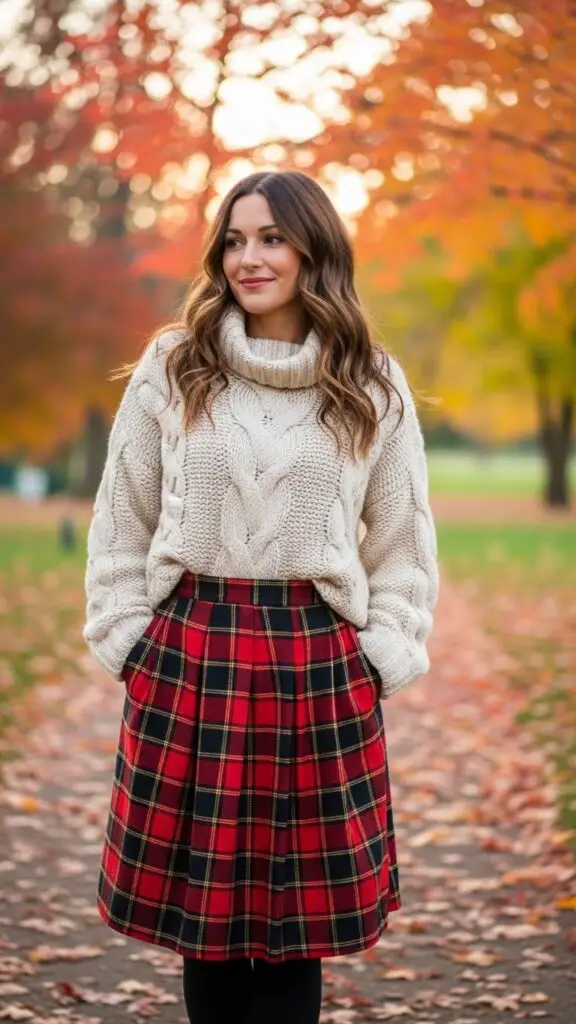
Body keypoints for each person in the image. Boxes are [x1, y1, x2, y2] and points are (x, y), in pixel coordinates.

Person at [83, 169, 440, 1024]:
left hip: (317, 663)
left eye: (272, 237)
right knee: (206, 930)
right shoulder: (176, 366)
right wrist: (130, 636)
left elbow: (402, 542)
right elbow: (120, 518)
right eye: (236, 239)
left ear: (314, 248)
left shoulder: (371, 382)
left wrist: (381, 653)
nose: (250, 257)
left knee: (295, 927)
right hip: (190, 650)